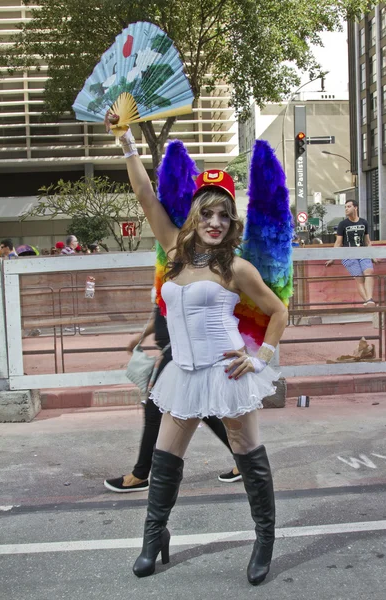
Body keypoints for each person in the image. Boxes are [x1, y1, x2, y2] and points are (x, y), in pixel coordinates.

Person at [112, 124, 288, 587]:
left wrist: (262, 355)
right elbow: (146, 196)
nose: (214, 223)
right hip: (183, 374)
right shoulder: (174, 250)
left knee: (247, 453)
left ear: (232, 224)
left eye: (223, 217)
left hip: (227, 373)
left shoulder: (237, 268)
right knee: (165, 456)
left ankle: (264, 540)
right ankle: (155, 538)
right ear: (195, 215)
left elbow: (278, 311)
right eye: (207, 213)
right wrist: (127, 143)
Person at [104, 295, 242, 494]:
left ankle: (140, 475)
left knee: (153, 412)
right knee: (203, 410)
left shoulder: (181, 273)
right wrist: (141, 336)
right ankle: (243, 459)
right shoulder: (167, 274)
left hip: (179, 353)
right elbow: (161, 314)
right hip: (174, 351)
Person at [325, 199, 378, 305]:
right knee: (359, 278)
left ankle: (369, 299)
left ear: (355, 207)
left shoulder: (364, 222)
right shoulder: (343, 224)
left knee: (369, 272)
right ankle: (368, 301)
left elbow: (367, 241)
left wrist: (373, 255)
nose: (346, 209)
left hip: (363, 252)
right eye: (345, 207)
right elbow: (338, 242)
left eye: (349, 206)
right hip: (348, 254)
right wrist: (332, 257)